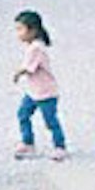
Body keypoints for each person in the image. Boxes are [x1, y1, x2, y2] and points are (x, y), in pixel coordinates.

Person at [11, 10, 67, 160]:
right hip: (33, 92)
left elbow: (29, 68)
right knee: (23, 114)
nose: (18, 33)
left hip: (46, 93)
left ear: (32, 30)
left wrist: (17, 73)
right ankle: (27, 142)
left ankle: (60, 146)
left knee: (50, 120)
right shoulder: (33, 46)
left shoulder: (36, 48)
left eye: (20, 29)